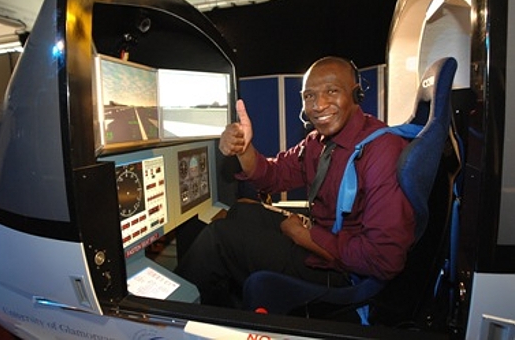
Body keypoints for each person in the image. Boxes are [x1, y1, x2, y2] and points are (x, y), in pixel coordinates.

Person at [175, 56, 415, 307]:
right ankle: (225, 309)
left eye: (331, 91)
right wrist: (243, 149)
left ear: (356, 96)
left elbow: (384, 259)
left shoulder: (381, 150)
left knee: (218, 239)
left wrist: (306, 236)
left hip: (344, 274)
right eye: (309, 96)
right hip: (326, 240)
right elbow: (273, 175)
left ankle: (170, 319)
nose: (319, 105)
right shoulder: (316, 143)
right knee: (240, 211)